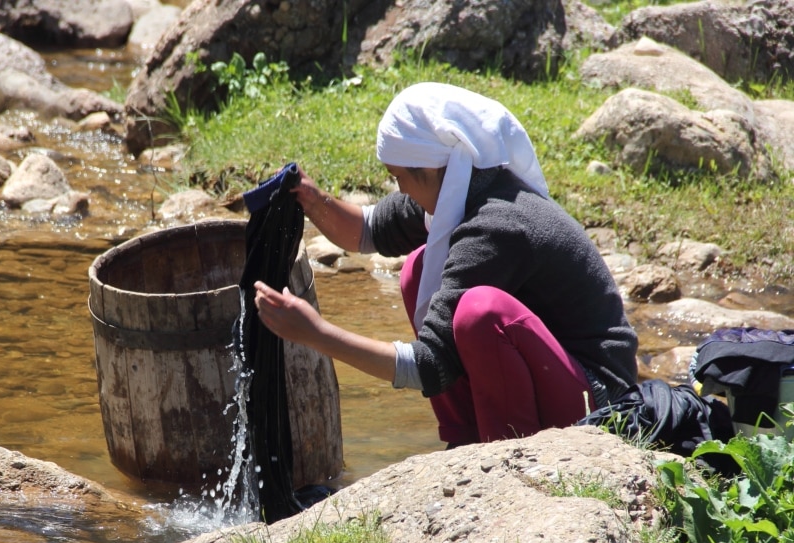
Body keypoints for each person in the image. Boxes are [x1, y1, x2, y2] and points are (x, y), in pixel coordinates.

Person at [252, 82, 638, 446]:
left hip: (599, 404)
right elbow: (367, 231)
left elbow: (429, 364)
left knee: (477, 313)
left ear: (432, 166)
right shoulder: (458, 185)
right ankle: (467, 442)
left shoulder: (495, 224)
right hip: (557, 375)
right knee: (419, 270)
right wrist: (310, 196)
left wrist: (316, 333)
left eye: (399, 176)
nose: (400, 188)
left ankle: (507, 455)